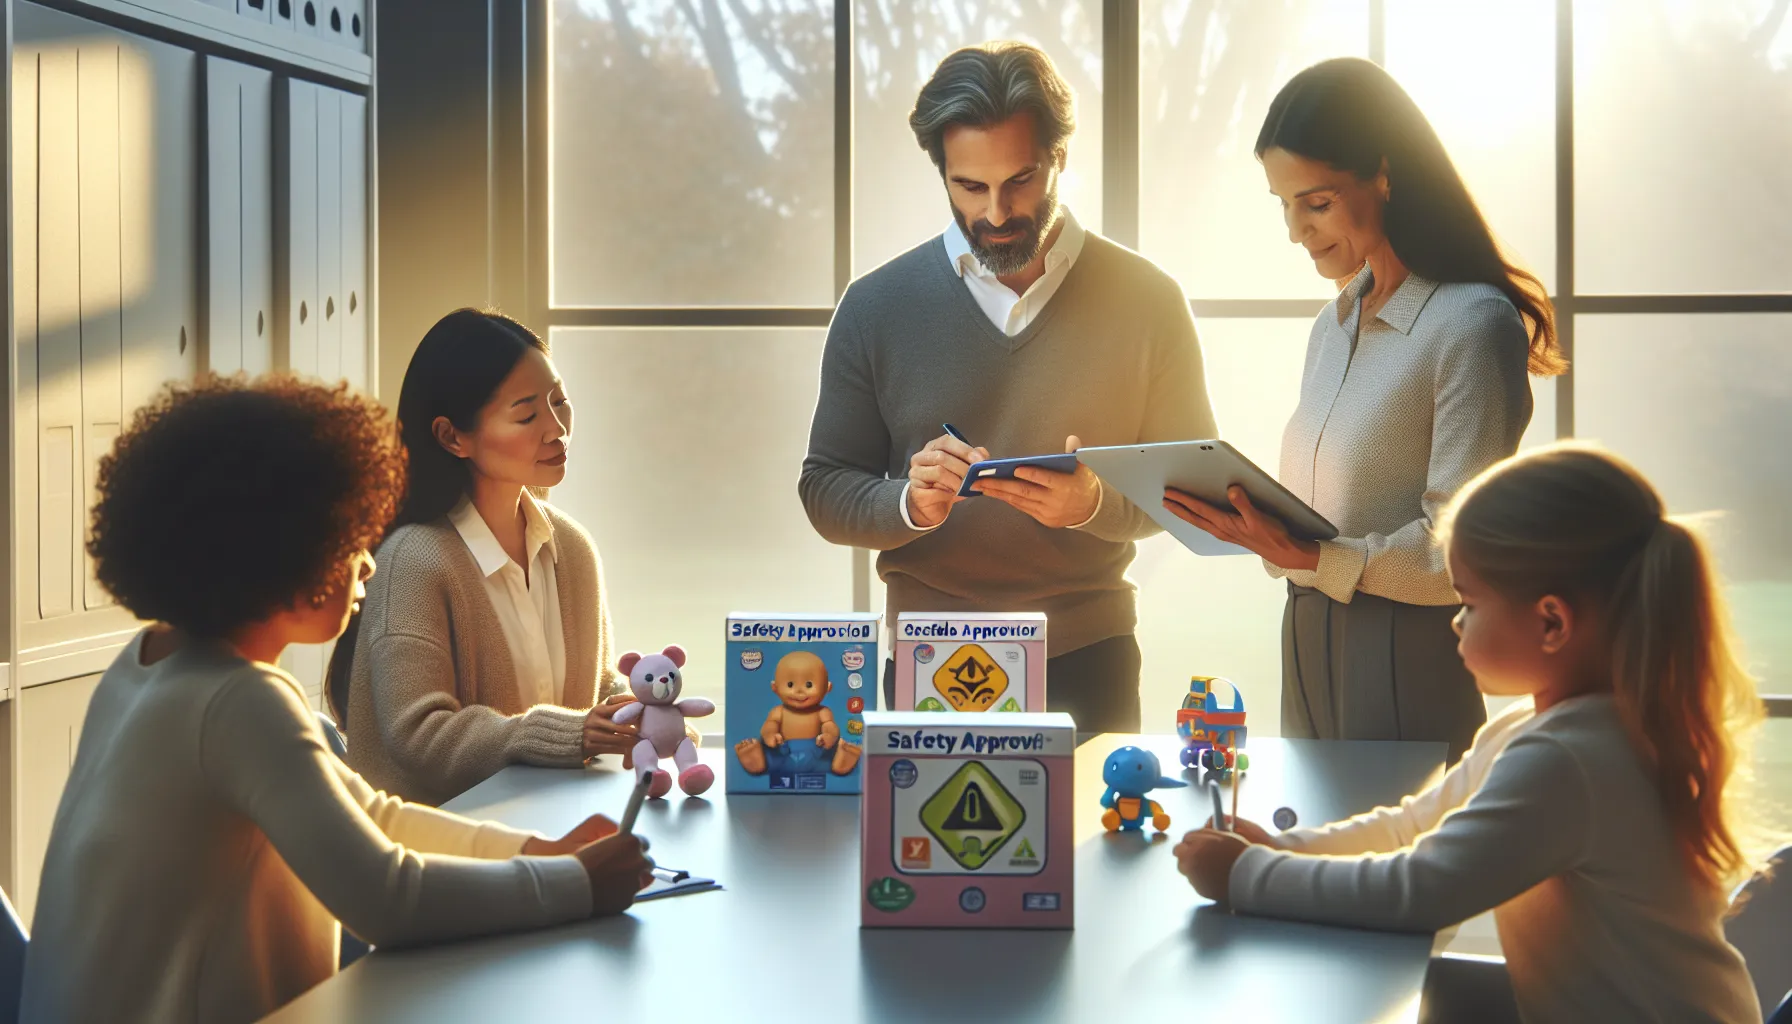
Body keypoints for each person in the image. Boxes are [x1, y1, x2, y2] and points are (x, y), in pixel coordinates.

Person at [20, 375, 652, 1024]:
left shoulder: (148, 664)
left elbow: (372, 817)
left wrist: (537, 851)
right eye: (352, 540)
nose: (368, 564)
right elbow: (386, 899)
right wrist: (578, 885)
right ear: (288, 551)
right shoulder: (237, 702)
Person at [1175, 444, 1764, 1023]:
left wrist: (1245, 875)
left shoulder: (1568, 759)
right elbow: (1413, 825)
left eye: (1471, 603)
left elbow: (1420, 890)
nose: (1457, 623)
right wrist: (1283, 848)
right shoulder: (1537, 728)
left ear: (1552, 622)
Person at [800, 42, 1217, 732]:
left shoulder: (1150, 300)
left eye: (1020, 180)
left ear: (1059, 157)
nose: (996, 213)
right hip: (926, 654)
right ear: (942, 173)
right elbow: (824, 488)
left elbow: (1192, 497)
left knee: (1095, 812)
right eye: (970, 187)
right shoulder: (874, 306)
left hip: (1089, 655)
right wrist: (909, 503)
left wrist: (1093, 504)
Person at [1164, 57, 1566, 761]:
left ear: (1384, 174)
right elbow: (1326, 518)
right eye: (1283, 204)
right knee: (1311, 828)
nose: (1296, 230)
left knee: (1400, 832)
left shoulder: (1471, 324)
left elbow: (1457, 553)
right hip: (1304, 637)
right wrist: (1257, 526)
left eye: (1316, 203)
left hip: (1405, 652)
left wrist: (1312, 556)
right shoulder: (1334, 323)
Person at [331, 309, 657, 806]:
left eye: (560, 401)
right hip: (440, 838)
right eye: (526, 416)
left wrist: (636, 705)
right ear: (452, 437)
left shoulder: (573, 547)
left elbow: (587, 687)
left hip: (550, 820)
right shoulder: (413, 561)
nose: (557, 429)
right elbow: (419, 735)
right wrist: (565, 733)